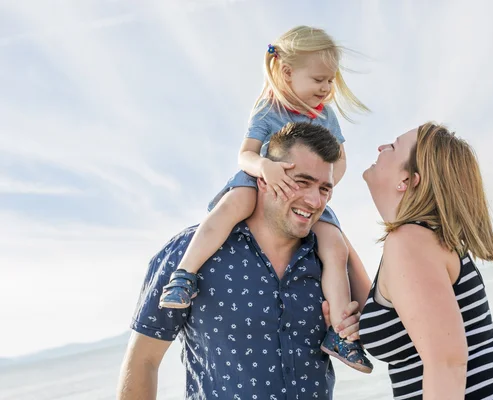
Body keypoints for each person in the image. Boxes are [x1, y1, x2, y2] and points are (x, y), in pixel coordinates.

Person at [158, 25, 372, 372]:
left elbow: (340, 160)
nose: (326, 88)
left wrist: (320, 188)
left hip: (304, 193)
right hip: (262, 181)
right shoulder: (269, 108)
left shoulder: (326, 115)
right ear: (287, 72)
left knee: (335, 247)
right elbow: (245, 154)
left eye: (331, 80)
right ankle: (185, 273)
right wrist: (264, 169)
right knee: (233, 206)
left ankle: (339, 335)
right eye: (319, 79)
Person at [117, 122, 371, 400]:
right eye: (301, 182)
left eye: (325, 189)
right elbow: (144, 360)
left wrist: (353, 325)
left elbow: (386, 329)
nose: (313, 200)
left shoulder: (329, 261)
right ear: (263, 178)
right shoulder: (189, 253)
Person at [359, 123, 493, 399]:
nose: (381, 148)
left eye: (393, 146)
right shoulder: (416, 241)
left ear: (407, 180)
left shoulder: (410, 242)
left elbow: (447, 364)